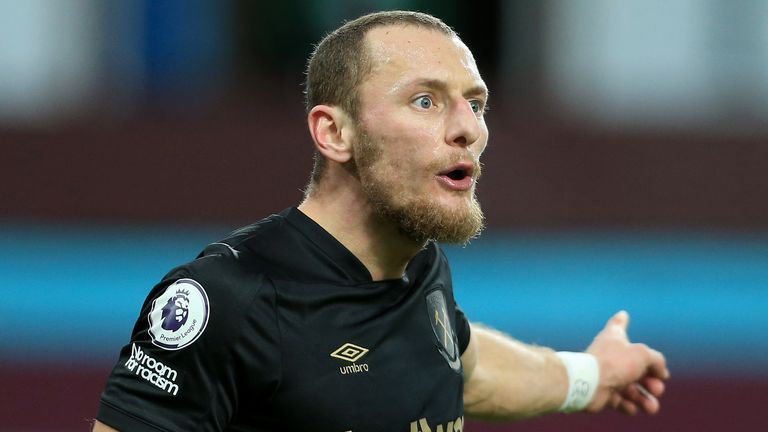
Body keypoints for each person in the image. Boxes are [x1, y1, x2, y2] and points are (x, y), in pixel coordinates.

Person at [93, 10, 669, 431]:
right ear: (334, 133)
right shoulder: (229, 300)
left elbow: (462, 367)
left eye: (476, 102)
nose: (469, 127)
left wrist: (591, 375)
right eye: (426, 100)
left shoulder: (419, 266)